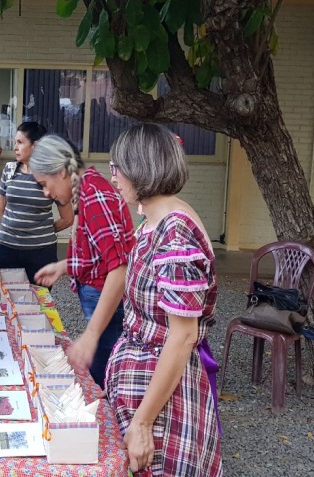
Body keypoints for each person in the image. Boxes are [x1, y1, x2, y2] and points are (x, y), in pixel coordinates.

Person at [106, 124, 221, 475]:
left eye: (117, 167)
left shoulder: (174, 234)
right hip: (148, 391)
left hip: (163, 404)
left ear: (141, 167)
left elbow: (183, 335)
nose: (112, 177)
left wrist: (142, 423)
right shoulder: (155, 220)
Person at [31, 135, 132, 390]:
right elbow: (95, 252)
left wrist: (91, 335)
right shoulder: (84, 190)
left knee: (103, 379)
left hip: (108, 301)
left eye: (44, 183)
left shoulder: (93, 194)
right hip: (99, 296)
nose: (46, 193)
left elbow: (119, 268)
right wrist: (64, 267)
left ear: (62, 171)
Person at [0, 122, 73, 282]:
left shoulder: (52, 175)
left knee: (40, 301)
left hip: (40, 252)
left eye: (20, 142)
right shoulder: (9, 169)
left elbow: (68, 218)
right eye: (15, 142)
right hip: (8, 249)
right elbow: (1, 210)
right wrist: (16, 232)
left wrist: (41, 231)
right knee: (7, 298)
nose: (15, 147)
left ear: (35, 146)